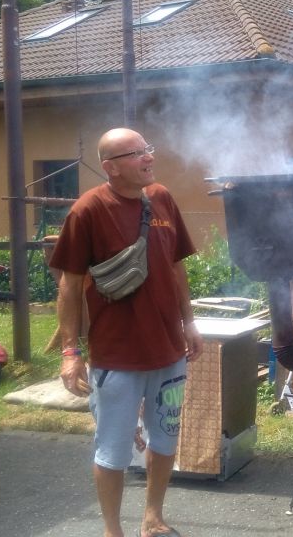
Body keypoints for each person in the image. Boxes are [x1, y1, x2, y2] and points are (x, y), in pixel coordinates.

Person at [51, 127, 203, 537]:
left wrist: (189, 323)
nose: (148, 157)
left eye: (147, 149)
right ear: (111, 168)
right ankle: (112, 530)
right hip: (116, 358)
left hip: (170, 355)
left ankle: (153, 518)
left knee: (165, 439)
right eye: (136, 153)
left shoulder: (162, 198)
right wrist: (70, 352)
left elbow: (176, 266)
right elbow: (69, 284)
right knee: (113, 450)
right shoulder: (88, 210)